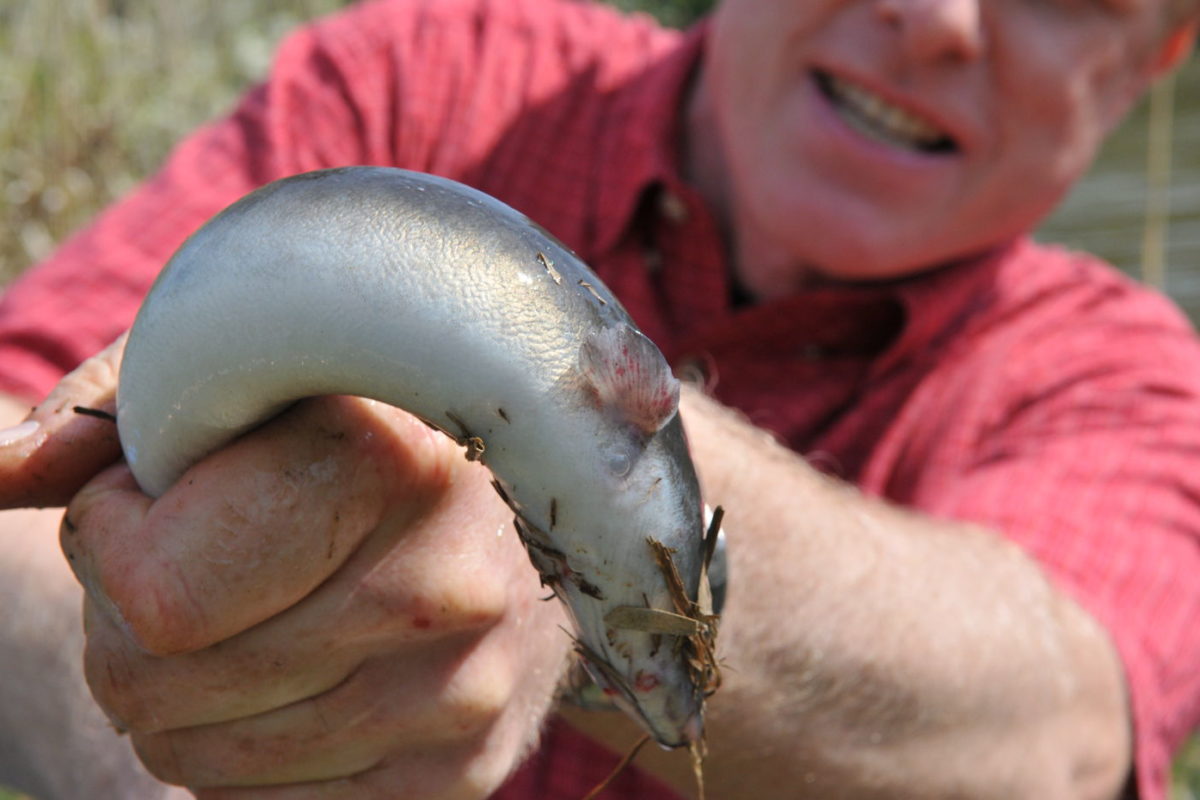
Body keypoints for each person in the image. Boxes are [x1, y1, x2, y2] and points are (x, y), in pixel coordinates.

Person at [0, 0, 1198, 797]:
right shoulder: (417, 80)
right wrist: (166, 709)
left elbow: (1056, 728)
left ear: (1159, 54)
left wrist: (558, 589)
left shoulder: (1134, 382)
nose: (935, 16)